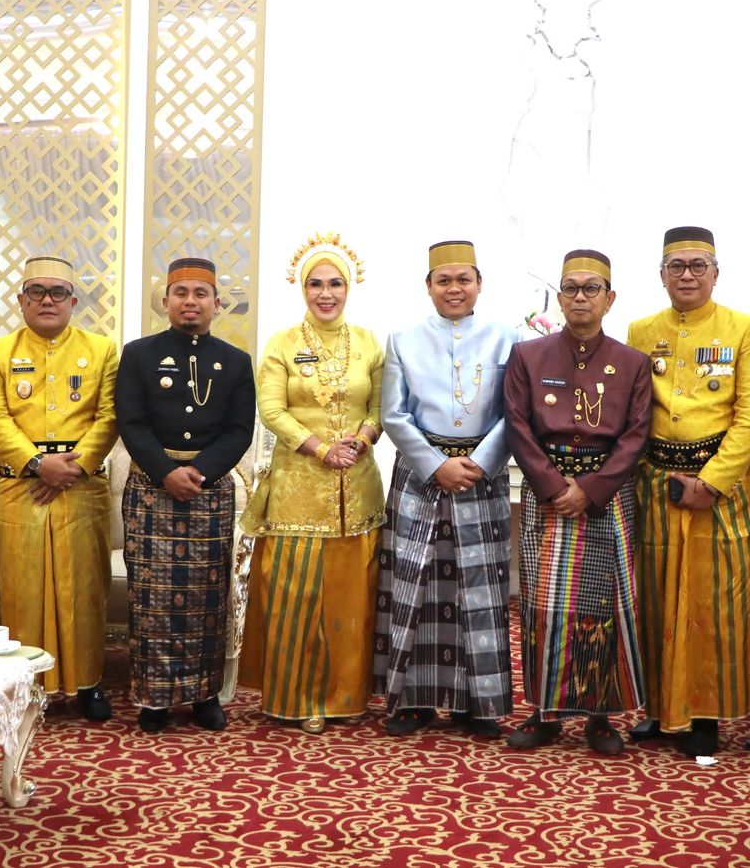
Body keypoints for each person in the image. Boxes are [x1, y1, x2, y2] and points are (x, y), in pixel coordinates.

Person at [626, 226, 750, 757]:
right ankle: (661, 708)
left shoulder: (744, 328)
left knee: (715, 602)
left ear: (716, 272)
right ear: (662, 275)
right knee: (657, 594)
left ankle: (706, 712)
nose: (687, 275)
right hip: (658, 484)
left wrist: (712, 481)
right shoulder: (641, 330)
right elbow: (633, 407)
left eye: (697, 266)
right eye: (677, 266)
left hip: (718, 490)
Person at [503, 249, 651, 755]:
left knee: (604, 604)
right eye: (571, 288)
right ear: (560, 297)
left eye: (592, 289)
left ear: (610, 298)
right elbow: (518, 427)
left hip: (607, 495)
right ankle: (544, 712)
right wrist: (553, 486)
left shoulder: (632, 363)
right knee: (543, 606)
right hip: (547, 494)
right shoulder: (528, 356)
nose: (580, 297)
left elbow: (636, 435)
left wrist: (590, 489)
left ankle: (600, 715)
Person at [238, 233, 385, 733]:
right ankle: (295, 698)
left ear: (348, 288)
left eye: (335, 283)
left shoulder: (368, 342)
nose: (326, 293)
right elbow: (271, 410)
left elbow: (379, 407)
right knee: (294, 596)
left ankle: (347, 697)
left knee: (352, 597)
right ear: (303, 289)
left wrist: (361, 440)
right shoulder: (282, 343)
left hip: (356, 488)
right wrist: (322, 449)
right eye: (316, 284)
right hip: (297, 490)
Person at [374, 240, 519, 738]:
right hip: (420, 477)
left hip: (482, 477)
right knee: (415, 584)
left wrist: (478, 463)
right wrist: (436, 465)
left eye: (463, 279)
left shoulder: (507, 339)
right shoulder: (403, 340)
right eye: (444, 280)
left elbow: (514, 413)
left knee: (478, 591)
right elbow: (393, 414)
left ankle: (476, 704)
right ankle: (413, 701)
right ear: (428, 286)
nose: (454, 289)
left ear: (479, 283)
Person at [0, 255, 120, 720]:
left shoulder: (102, 350)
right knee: (21, 589)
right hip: (23, 487)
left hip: (82, 487)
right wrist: (39, 464)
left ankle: (87, 683)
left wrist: (71, 468)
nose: (47, 300)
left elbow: (110, 416)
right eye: (36, 291)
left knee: (85, 587)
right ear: (20, 300)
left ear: (73, 302)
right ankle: (25, 685)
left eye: (58, 292)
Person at [114, 257, 256, 733]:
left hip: (208, 490)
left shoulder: (235, 361)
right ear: (165, 301)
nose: (190, 302)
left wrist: (200, 471)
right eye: (181, 293)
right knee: (150, 598)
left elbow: (239, 430)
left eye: (200, 293)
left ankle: (204, 695)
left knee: (207, 596)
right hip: (151, 488)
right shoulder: (138, 355)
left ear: (216, 304)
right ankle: (153, 698)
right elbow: (131, 423)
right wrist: (165, 472)